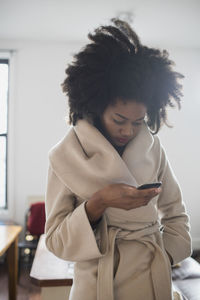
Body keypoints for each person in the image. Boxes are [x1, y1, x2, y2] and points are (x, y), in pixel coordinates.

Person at [44, 18, 192, 300]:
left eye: (138, 122)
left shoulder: (153, 147)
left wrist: (163, 255)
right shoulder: (64, 157)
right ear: (96, 106)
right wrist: (99, 202)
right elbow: (55, 240)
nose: (128, 130)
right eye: (119, 119)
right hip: (97, 285)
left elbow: (176, 214)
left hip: (151, 279)